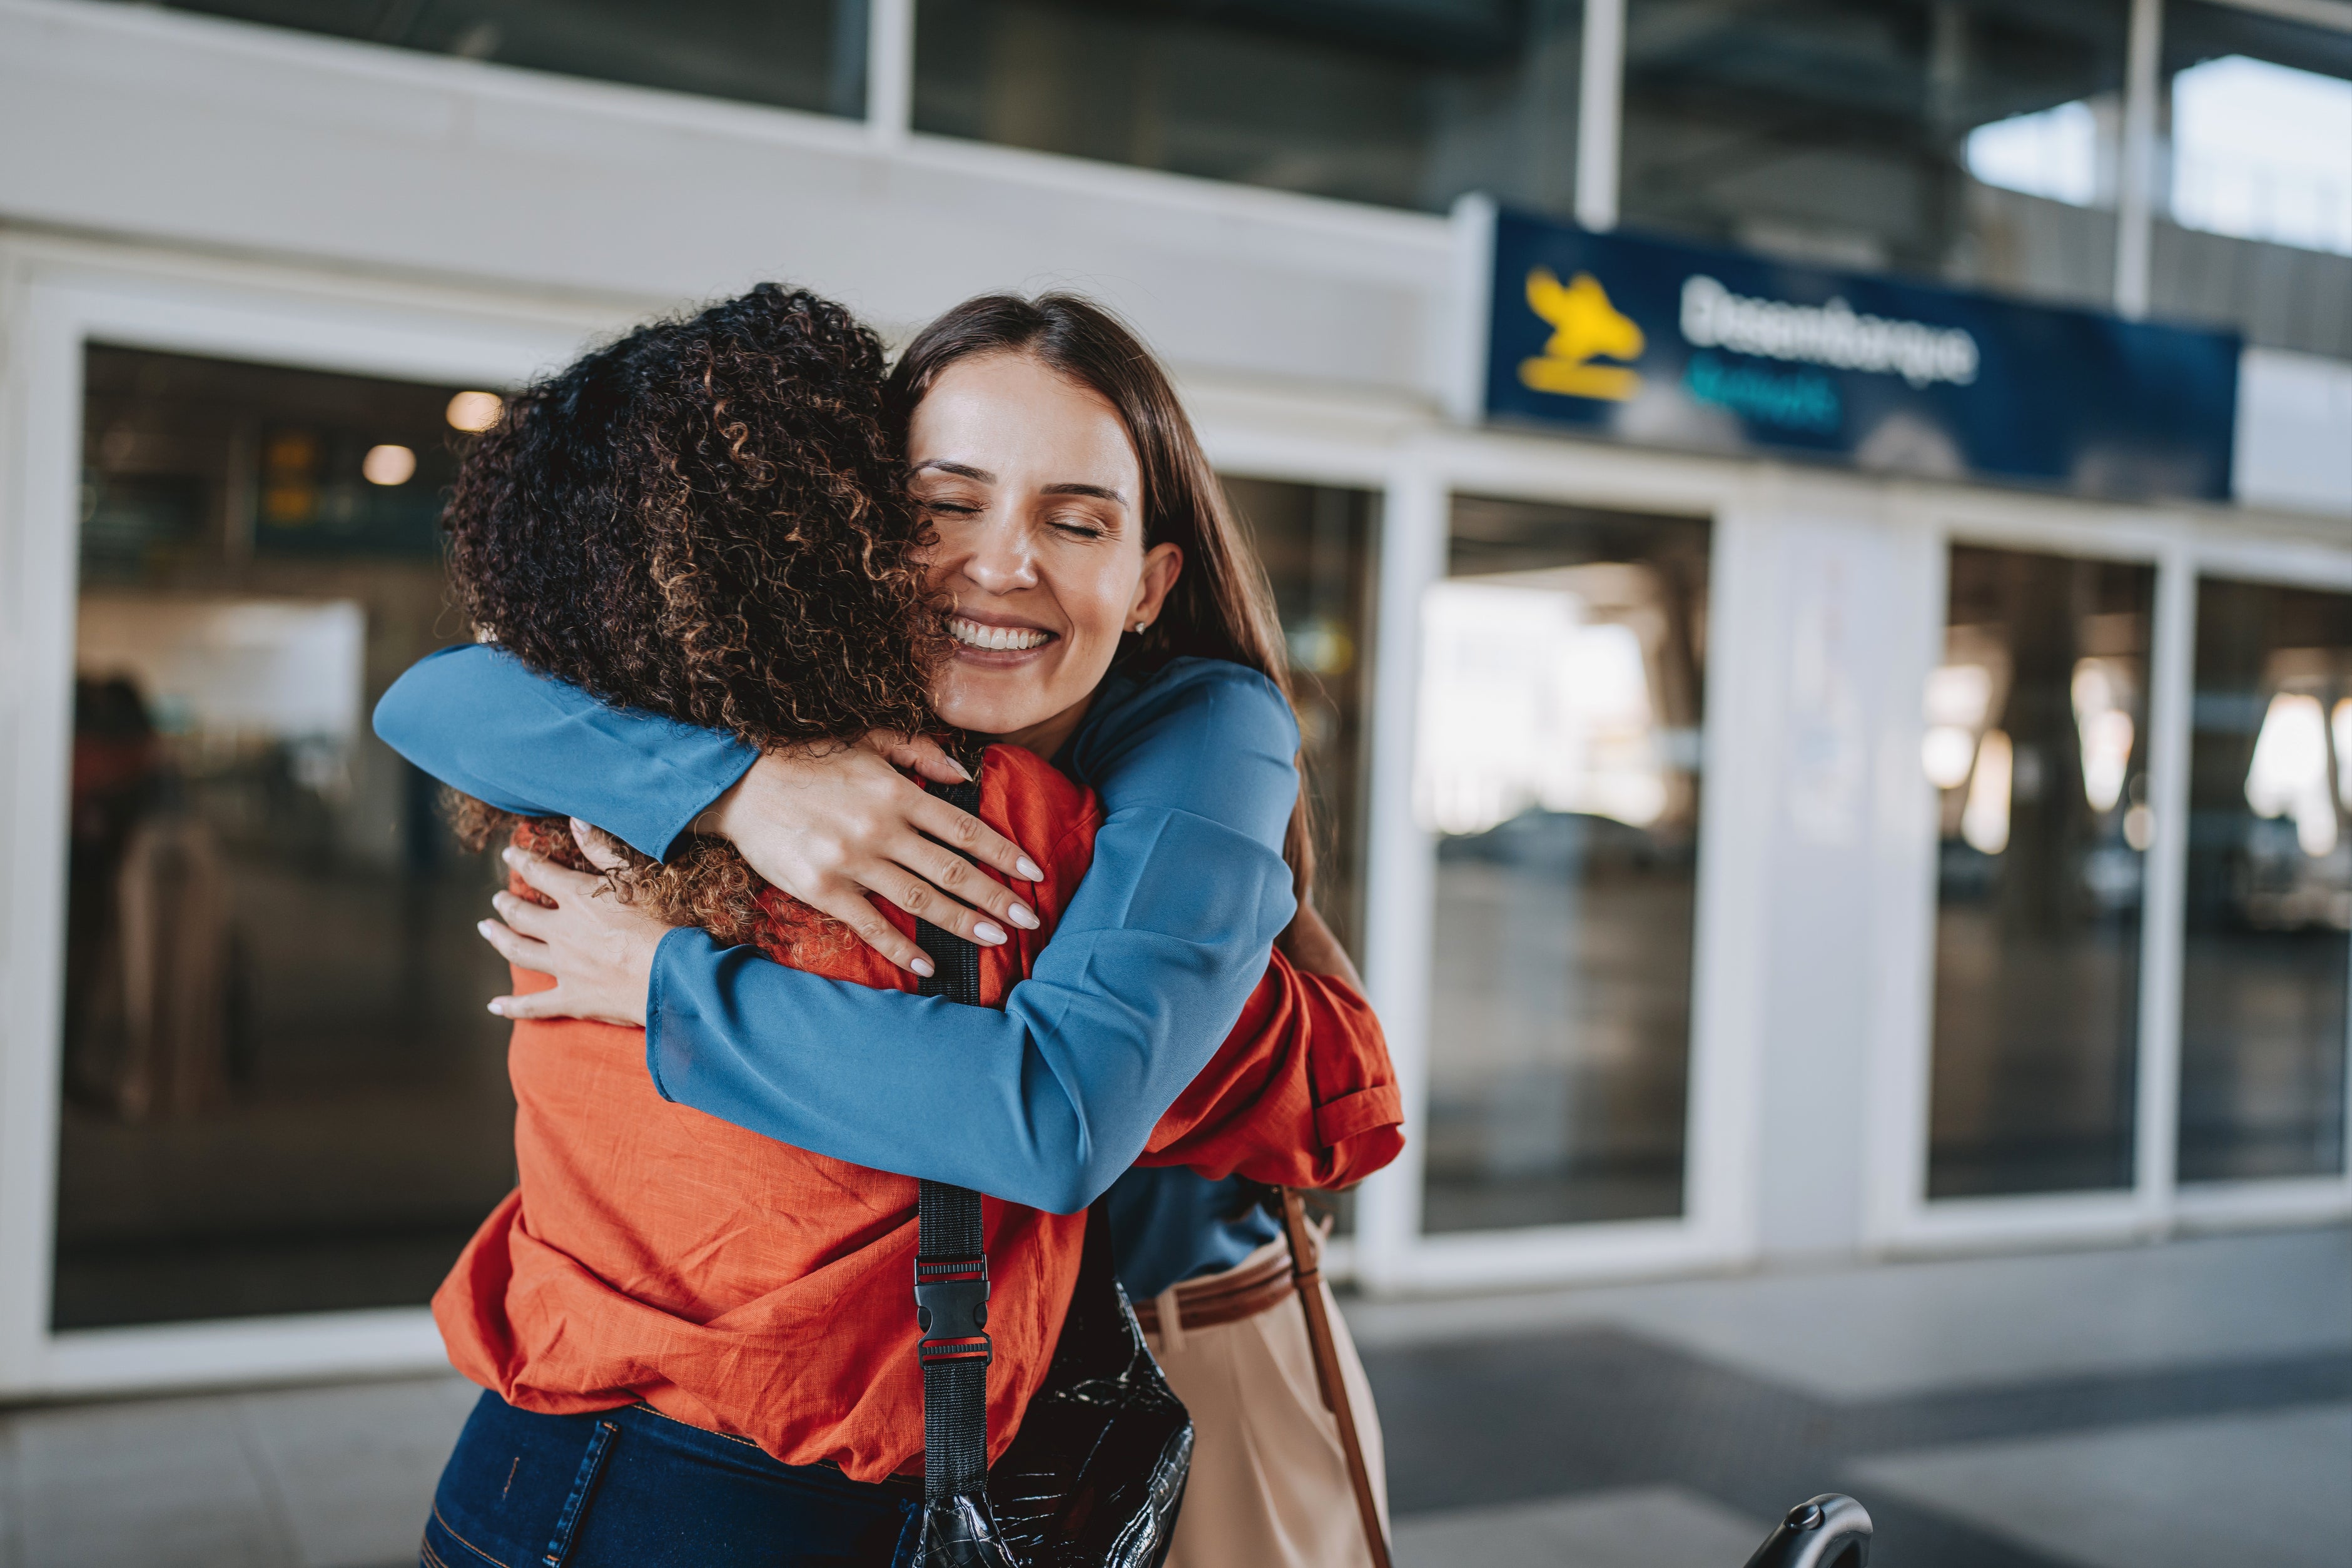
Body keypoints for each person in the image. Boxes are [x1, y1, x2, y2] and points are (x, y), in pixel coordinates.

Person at [383, 292, 1400, 1567]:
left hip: (1153, 1341)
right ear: (857, 530)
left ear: (1151, 584)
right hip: (715, 1469)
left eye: (1072, 519)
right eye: (944, 506)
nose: (1002, 562)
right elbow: (435, 696)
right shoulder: (767, 752)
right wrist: (742, 788)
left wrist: (664, 980)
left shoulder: (1186, 744)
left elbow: (1070, 1117)